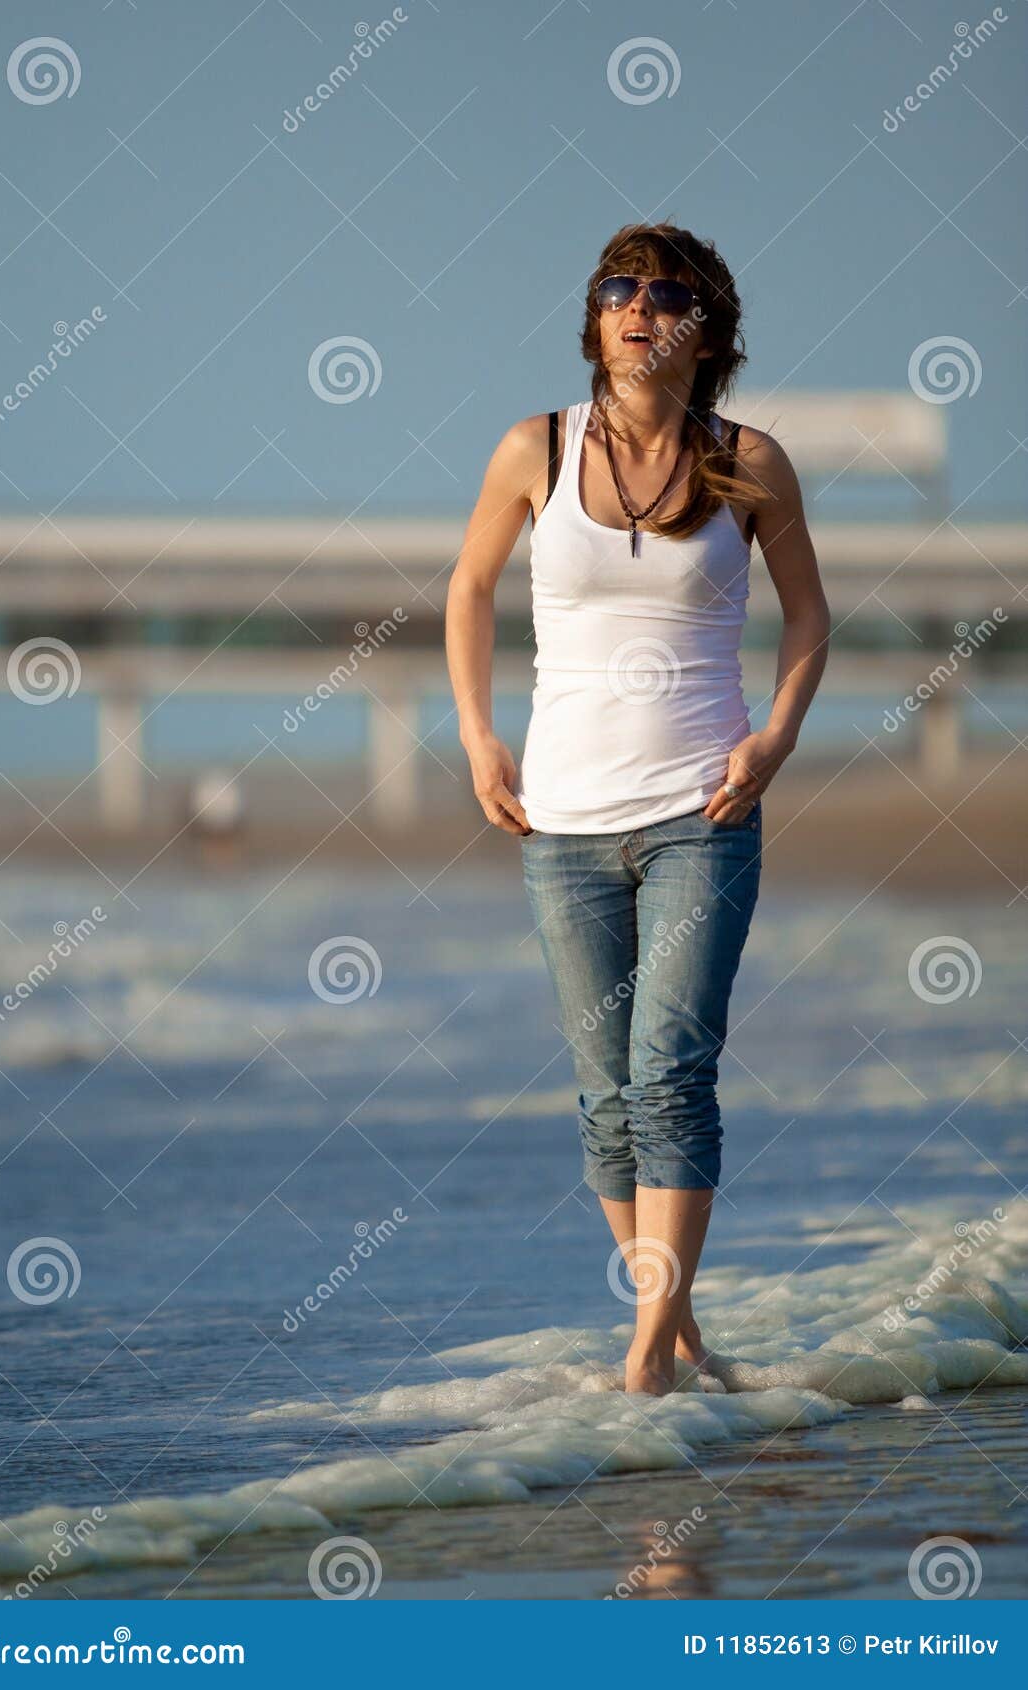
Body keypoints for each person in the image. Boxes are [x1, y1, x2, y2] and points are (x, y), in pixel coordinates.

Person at [445, 223, 829, 1396]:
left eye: (664, 294)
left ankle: (645, 1353)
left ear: (703, 329)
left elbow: (809, 619)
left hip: (698, 812)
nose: (635, 309)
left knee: (669, 1066)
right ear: (594, 315)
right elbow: (465, 585)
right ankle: (675, 1326)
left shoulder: (748, 461)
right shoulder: (535, 448)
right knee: (603, 1090)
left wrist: (774, 736)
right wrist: (475, 734)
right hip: (559, 821)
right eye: (618, 288)